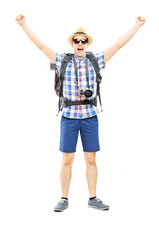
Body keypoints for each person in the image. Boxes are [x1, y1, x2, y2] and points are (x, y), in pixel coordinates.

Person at [15, 15, 146, 212]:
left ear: (87, 43)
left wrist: (137, 25)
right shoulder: (62, 61)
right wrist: (23, 25)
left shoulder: (96, 60)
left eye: (84, 40)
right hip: (69, 118)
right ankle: (63, 199)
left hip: (90, 117)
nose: (80, 43)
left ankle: (93, 198)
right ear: (72, 43)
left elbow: (118, 44)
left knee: (91, 159)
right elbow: (41, 45)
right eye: (76, 40)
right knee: (67, 159)